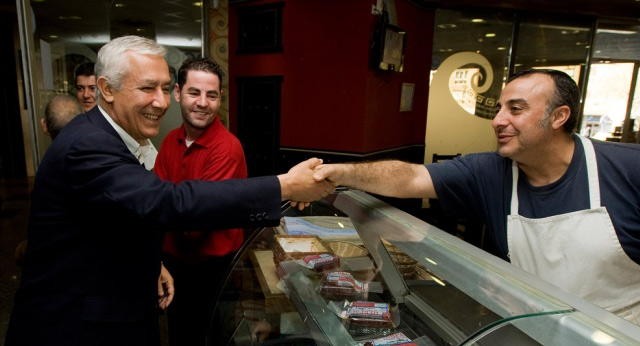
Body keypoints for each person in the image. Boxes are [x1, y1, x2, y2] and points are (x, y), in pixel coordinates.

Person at [5, 35, 333, 346]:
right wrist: (284, 185)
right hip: (76, 328)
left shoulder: (106, 136)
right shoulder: (89, 146)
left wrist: (152, 263)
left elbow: (123, 215)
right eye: (148, 88)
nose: (161, 102)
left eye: (163, 88)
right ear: (106, 89)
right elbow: (168, 202)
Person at [313, 69, 640, 324]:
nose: (498, 121)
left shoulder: (628, 168)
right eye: (499, 109)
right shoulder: (489, 172)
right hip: (537, 326)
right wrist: (342, 173)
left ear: (558, 117)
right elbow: (410, 177)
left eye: (516, 109)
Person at [153, 57, 246, 345]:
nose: (203, 103)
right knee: (182, 334)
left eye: (212, 95)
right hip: (175, 263)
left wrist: (164, 208)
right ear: (178, 93)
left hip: (214, 268)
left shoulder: (227, 148)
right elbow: (155, 201)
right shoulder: (170, 140)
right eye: (194, 92)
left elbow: (195, 221)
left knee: (215, 336)